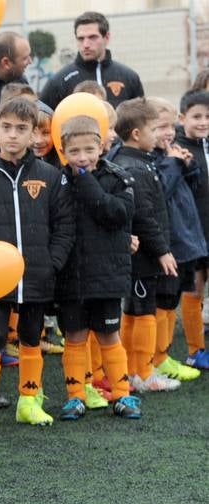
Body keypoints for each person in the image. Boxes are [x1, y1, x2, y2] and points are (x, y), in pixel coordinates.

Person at [0, 96, 76, 429]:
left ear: (34, 133)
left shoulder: (51, 177)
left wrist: (52, 262)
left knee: (31, 336)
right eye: (6, 128)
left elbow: (65, 224)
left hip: (37, 275)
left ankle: (28, 400)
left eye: (21, 129)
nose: (12, 135)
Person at [54, 115, 138, 420]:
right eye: (74, 151)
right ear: (63, 151)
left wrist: (86, 181)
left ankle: (122, 395)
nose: (82, 157)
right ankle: (75, 395)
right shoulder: (57, 181)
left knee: (108, 335)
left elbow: (117, 213)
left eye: (89, 149)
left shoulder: (118, 177)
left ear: (101, 146)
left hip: (106, 275)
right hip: (71, 276)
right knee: (75, 337)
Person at [107, 98, 181, 393]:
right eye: (154, 128)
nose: (159, 134)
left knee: (135, 310)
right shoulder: (134, 168)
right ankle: (143, 373)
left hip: (143, 253)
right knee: (142, 311)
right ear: (136, 134)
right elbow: (144, 216)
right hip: (143, 256)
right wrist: (162, 250)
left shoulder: (140, 162)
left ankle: (133, 372)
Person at [146, 96, 206, 384]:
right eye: (160, 127)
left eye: (170, 126)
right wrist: (173, 162)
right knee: (163, 301)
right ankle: (154, 357)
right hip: (167, 244)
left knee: (172, 301)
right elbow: (161, 191)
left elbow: (189, 185)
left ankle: (164, 354)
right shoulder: (154, 159)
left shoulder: (170, 153)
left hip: (184, 242)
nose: (168, 133)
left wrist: (187, 163)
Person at [40, 11, 144, 110]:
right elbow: (42, 120)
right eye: (81, 38)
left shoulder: (129, 77)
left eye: (92, 37)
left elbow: (141, 121)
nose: (86, 45)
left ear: (107, 37)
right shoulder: (60, 80)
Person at [175, 88, 209, 369]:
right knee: (194, 290)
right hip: (192, 234)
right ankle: (195, 350)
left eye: (208, 117)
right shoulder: (177, 149)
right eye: (196, 116)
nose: (203, 122)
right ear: (182, 117)